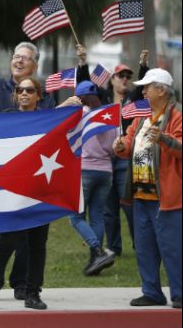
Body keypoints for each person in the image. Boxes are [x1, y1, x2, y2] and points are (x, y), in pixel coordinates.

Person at [0, 17, 80, 302]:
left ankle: (23, 284)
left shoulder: (45, 99)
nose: (19, 61)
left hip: (34, 175)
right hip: (1, 173)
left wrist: (63, 109)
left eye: (25, 58)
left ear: (34, 67)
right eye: (16, 56)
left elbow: (51, 130)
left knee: (31, 235)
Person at [0, 77, 53, 311]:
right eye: (20, 90)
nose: (24, 93)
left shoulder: (48, 120)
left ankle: (33, 293)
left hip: (40, 192)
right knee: (5, 243)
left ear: (38, 96)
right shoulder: (8, 117)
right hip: (14, 194)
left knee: (37, 246)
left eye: (29, 90)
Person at [113, 68, 182, 309]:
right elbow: (129, 143)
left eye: (147, 87)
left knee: (173, 248)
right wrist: (121, 146)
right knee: (144, 248)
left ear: (161, 91)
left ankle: (179, 293)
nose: (142, 92)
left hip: (168, 197)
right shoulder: (141, 117)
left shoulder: (177, 115)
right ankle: (151, 291)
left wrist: (162, 138)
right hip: (140, 194)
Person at [74, 45, 149, 255]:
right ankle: (114, 247)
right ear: (112, 79)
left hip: (125, 157)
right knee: (108, 209)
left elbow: (143, 87)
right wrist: (82, 62)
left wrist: (143, 66)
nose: (125, 79)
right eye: (121, 75)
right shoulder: (103, 98)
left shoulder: (133, 99)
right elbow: (85, 86)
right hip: (104, 159)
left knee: (128, 204)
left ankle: (139, 245)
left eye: (128, 76)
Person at [67, 81, 118, 276]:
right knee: (97, 217)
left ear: (78, 97)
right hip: (105, 172)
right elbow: (114, 149)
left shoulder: (79, 114)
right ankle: (96, 262)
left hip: (85, 170)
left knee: (75, 217)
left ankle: (98, 251)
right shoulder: (107, 116)